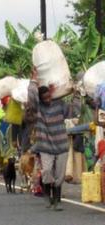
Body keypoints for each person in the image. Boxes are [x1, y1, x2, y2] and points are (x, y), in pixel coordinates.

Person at [28, 67, 80, 211]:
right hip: (45, 147)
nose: (48, 100)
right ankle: (47, 196)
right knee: (46, 173)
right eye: (44, 98)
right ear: (41, 99)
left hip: (61, 145)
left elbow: (74, 111)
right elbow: (31, 99)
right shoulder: (38, 109)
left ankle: (56, 200)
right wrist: (33, 80)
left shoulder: (60, 105)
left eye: (49, 97)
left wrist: (76, 93)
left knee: (59, 176)